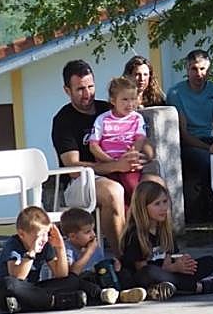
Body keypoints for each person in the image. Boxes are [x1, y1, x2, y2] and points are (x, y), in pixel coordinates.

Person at [51, 59, 162, 253]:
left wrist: (141, 157)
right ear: (66, 90)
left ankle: (161, 247)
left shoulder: (109, 108)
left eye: (91, 87)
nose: (87, 94)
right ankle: (124, 256)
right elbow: (74, 168)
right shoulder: (63, 120)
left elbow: (145, 143)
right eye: (80, 89)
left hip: (124, 169)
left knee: (156, 185)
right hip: (82, 181)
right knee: (113, 191)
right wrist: (116, 166)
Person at [120, 180, 213, 297]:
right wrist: (172, 268)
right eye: (157, 204)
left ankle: (170, 286)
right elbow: (141, 269)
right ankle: (199, 287)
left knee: (210, 262)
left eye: (165, 202)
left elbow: (169, 257)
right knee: (150, 272)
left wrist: (182, 263)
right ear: (143, 208)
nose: (163, 208)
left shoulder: (165, 230)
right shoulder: (135, 234)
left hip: (168, 272)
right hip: (144, 277)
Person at [165, 49, 213, 215]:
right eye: (194, 69)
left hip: (211, 139)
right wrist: (212, 149)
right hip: (187, 143)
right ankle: (209, 208)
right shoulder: (175, 93)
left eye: (203, 69)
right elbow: (183, 135)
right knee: (208, 161)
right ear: (187, 70)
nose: (198, 74)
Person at [0, 207, 88, 314]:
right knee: (8, 284)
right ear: (22, 234)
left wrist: (60, 247)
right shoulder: (13, 244)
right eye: (41, 235)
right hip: (11, 290)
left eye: (46, 234)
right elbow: (17, 276)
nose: (44, 239)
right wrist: (32, 252)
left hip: (34, 290)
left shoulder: (45, 246)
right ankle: (55, 302)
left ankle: (25, 305)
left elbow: (61, 274)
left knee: (72, 280)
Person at [55, 207, 146, 304]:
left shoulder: (94, 247)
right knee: (83, 283)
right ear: (73, 236)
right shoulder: (67, 248)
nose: (93, 234)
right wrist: (89, 252)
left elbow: (101, 265)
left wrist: (114, 266)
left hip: (100, 278)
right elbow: (72, 273)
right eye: (87, 232)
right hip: (84, 281)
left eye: (92, 230)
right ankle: (107, 295)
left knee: (123, 274)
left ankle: (124, 293)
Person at [88, 76, 154, 204]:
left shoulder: (137, 118)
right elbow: (94, 146)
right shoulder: (103, 119)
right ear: (113, 100)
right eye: (124, 99)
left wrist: (129, 156)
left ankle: (136, 218)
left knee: (133, 187)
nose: (130, 104)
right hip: (109, 165)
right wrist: (112, 162)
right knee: (116, 194)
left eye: (133, 99)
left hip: (129, 164)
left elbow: (140, 139)